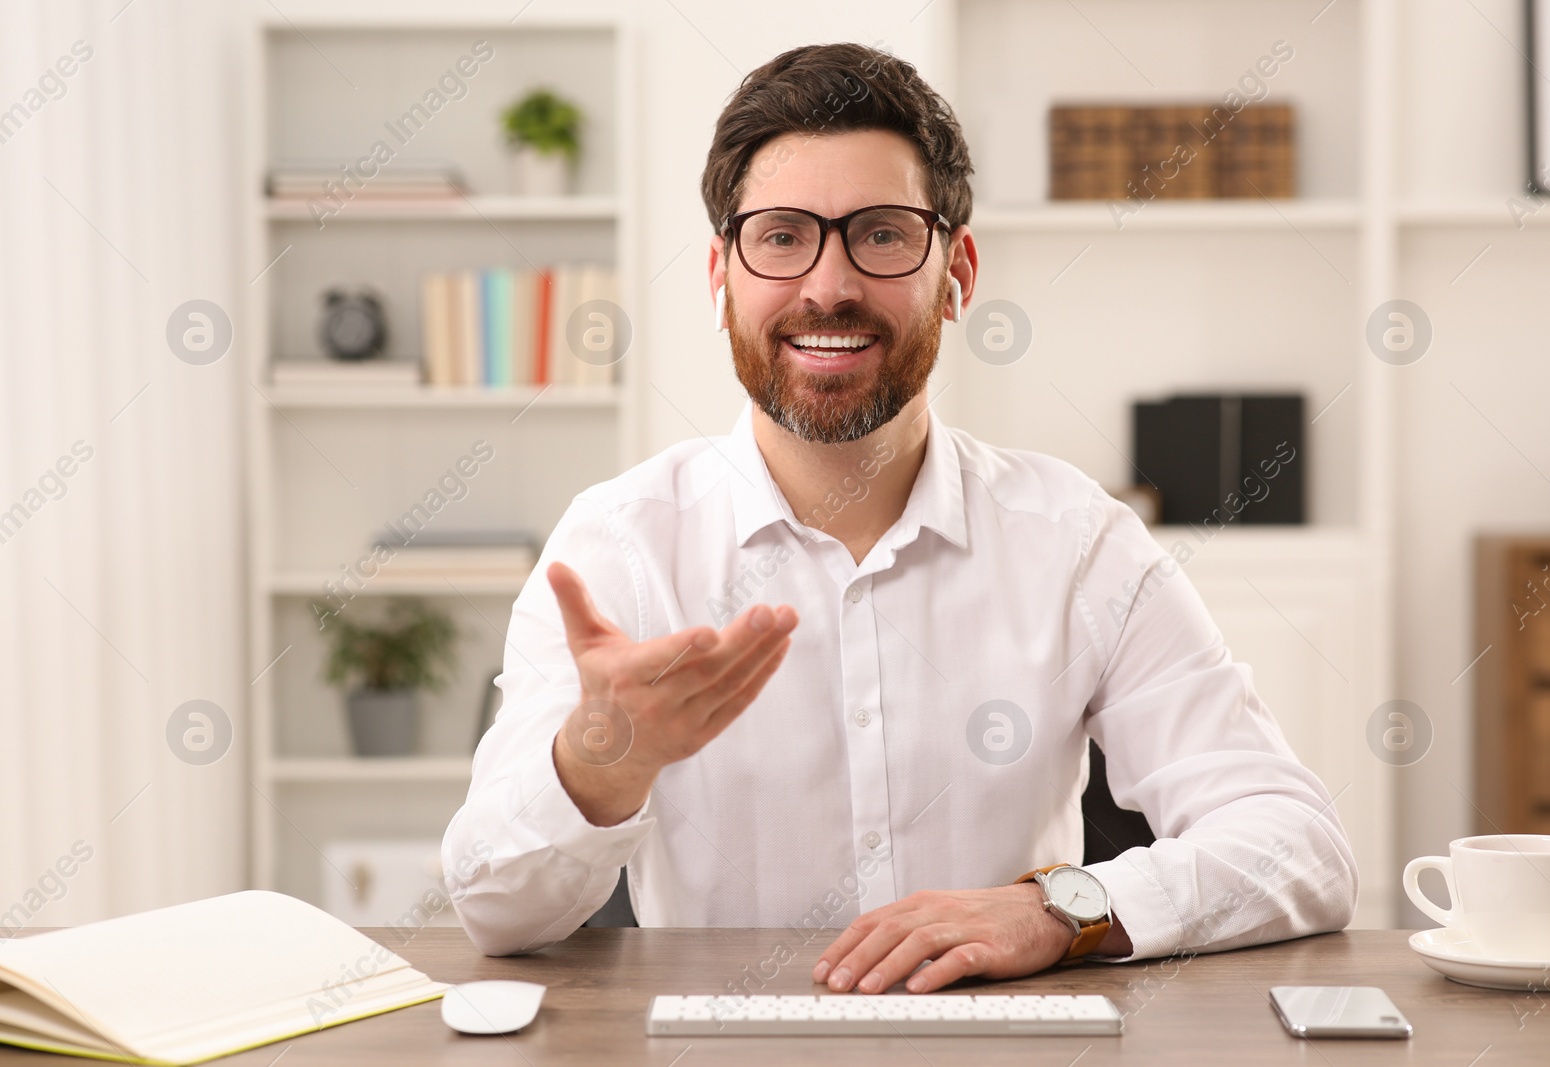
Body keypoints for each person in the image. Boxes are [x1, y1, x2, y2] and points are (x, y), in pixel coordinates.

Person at [443, 41, 1356, 995]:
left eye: (881, 234)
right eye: (782, 235)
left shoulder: (1080, 545)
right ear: (721, 275)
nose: (828, 284)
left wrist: (1057, 906)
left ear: (957, 270)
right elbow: (494, 910)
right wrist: (600, 762)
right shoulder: (619, 546)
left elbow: (1298, 845)